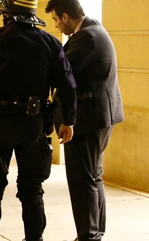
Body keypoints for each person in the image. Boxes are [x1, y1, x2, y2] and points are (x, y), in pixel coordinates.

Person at [0, 0, 78, 240]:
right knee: (32, 189)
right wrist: (68, 121)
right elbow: (68, 85)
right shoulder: (50, 42)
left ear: (7, 12)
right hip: (33, 125)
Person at [45, 1, 124, 240]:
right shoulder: (91, 30)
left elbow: (62, 73)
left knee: (82, 180)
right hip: (97, 116)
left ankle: (89, 235)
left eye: (57, 20)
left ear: (66, 16)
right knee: (92, 176)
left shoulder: (87, 37)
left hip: (89, 118)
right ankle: (94, 233)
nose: (56, 24)